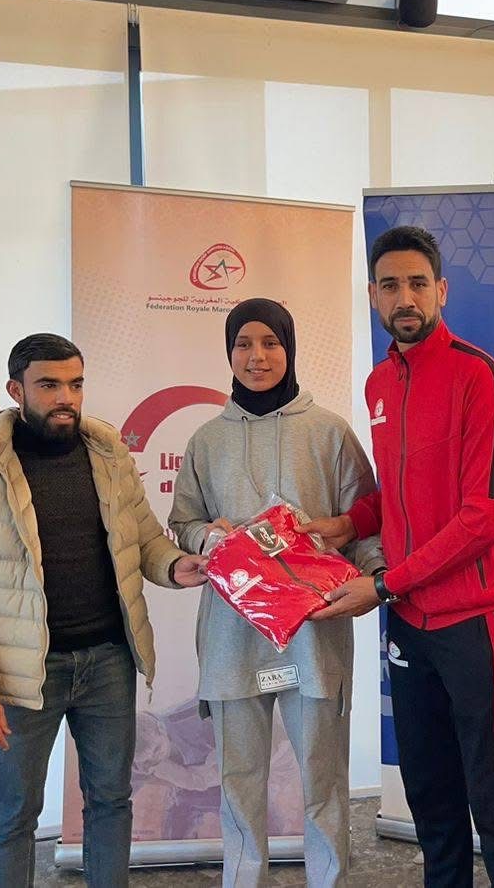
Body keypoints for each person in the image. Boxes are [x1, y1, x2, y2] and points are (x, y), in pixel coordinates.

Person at [0, 333, 208, 888]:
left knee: (111, 800)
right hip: (20, 674)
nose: (65, 398)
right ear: (16, 390)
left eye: (75, 384)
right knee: (13, 816)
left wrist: (175, 567)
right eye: (49, 385)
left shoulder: (108, 452)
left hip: (108, 661)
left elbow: (143, 538)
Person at [305, 225, 494, 886]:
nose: (404, 298)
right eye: (390, 285)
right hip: (411, 618)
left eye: (416, 283)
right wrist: (346, 523)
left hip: (479, 617)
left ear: (441, 290)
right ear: (373, 296)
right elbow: (401, 494)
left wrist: (384, 586)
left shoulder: (481, 376)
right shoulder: (381, 383)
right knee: (431, 793)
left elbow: (484, 516)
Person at [169, 298, 384, 888]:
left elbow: (364, 520)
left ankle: (329, 880)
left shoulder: (330, 432)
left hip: (314, 633)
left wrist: (373, 582)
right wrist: (205, 536)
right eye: (243, 344)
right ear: (228, 352)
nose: (256, 356)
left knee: (323, 775)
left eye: (270, 343)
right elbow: (183, 520)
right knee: (238, 779)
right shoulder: (207, 440)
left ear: (289, 349)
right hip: (231, 635)